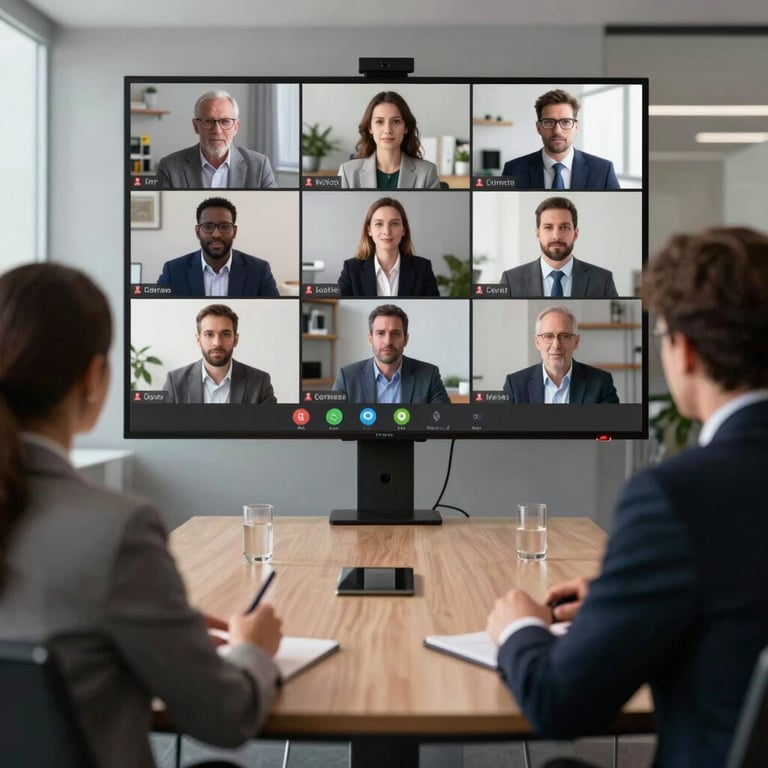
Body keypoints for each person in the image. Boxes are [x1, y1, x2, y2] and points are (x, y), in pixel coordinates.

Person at [487, 226, 768, 768]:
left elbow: (559, 704)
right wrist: (633, 596)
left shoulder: (675, 497)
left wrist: (519, 627)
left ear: (682, 349)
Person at [0, 264, 283, 768]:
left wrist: (156, 617)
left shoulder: (258, 383)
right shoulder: (116, 529)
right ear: (94, 379)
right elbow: (223, 716)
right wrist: (254, 650)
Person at [157, 196, 279, 297]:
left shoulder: (259, 270)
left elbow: (275, 311)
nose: (216, 234)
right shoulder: (173, 271)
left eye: (225, 226)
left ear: (234, 231)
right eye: (208, 227)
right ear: (197, 231)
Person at [501, 89, 620, 190]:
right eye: (548, 122)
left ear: (576, 127)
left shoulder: (603, 171)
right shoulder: (512, 170)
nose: (557, 130)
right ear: (538, 128)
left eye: (566, 122)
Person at [156, 90, 277, 189]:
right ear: (196, 126)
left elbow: (273, 210)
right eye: (208, 121)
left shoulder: (260, 166)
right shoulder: (170, 167)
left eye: (225, 121)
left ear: (236, 127)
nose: (217, 130)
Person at [500, 197, 618, 298]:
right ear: (537, 233)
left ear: (575, 234)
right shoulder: (511, 280)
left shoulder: (602, 280)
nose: (556, 236)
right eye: (548, 227)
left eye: (564, 227)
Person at [333, 304, 449, 404]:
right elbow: (332, 422)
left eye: (395, 334)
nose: (388, 341)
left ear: (406, 339)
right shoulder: (347, 377)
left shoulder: (429, 375)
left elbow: (446, 420)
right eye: (380, 333)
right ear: (370, 339)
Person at [163, 304, 277, 404]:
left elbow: (271, 427)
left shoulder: (260, 382)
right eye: (209, 334)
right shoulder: (175, 382)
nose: (217, 343)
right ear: (198, 340)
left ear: (235, 340)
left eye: (225, 334)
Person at [503, 305, 618, 403]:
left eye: (565, 336)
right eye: (548, 336)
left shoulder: (601, 383)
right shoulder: (515, 385)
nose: (556, 345)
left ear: (576, 342)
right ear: (537, 342)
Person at [337, 197, 440, 297]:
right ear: (369, 230)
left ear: (403, 230)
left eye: (394, 224)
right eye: (379, 224)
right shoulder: (351, 270)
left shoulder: (423, 268)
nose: (386, 231)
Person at [338, 91, 441, 189]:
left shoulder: (427, 172)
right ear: (370, 128)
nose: (387, 130)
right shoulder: (348, 173)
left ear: (406, 127)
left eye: (395, 121)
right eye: (379, 122)